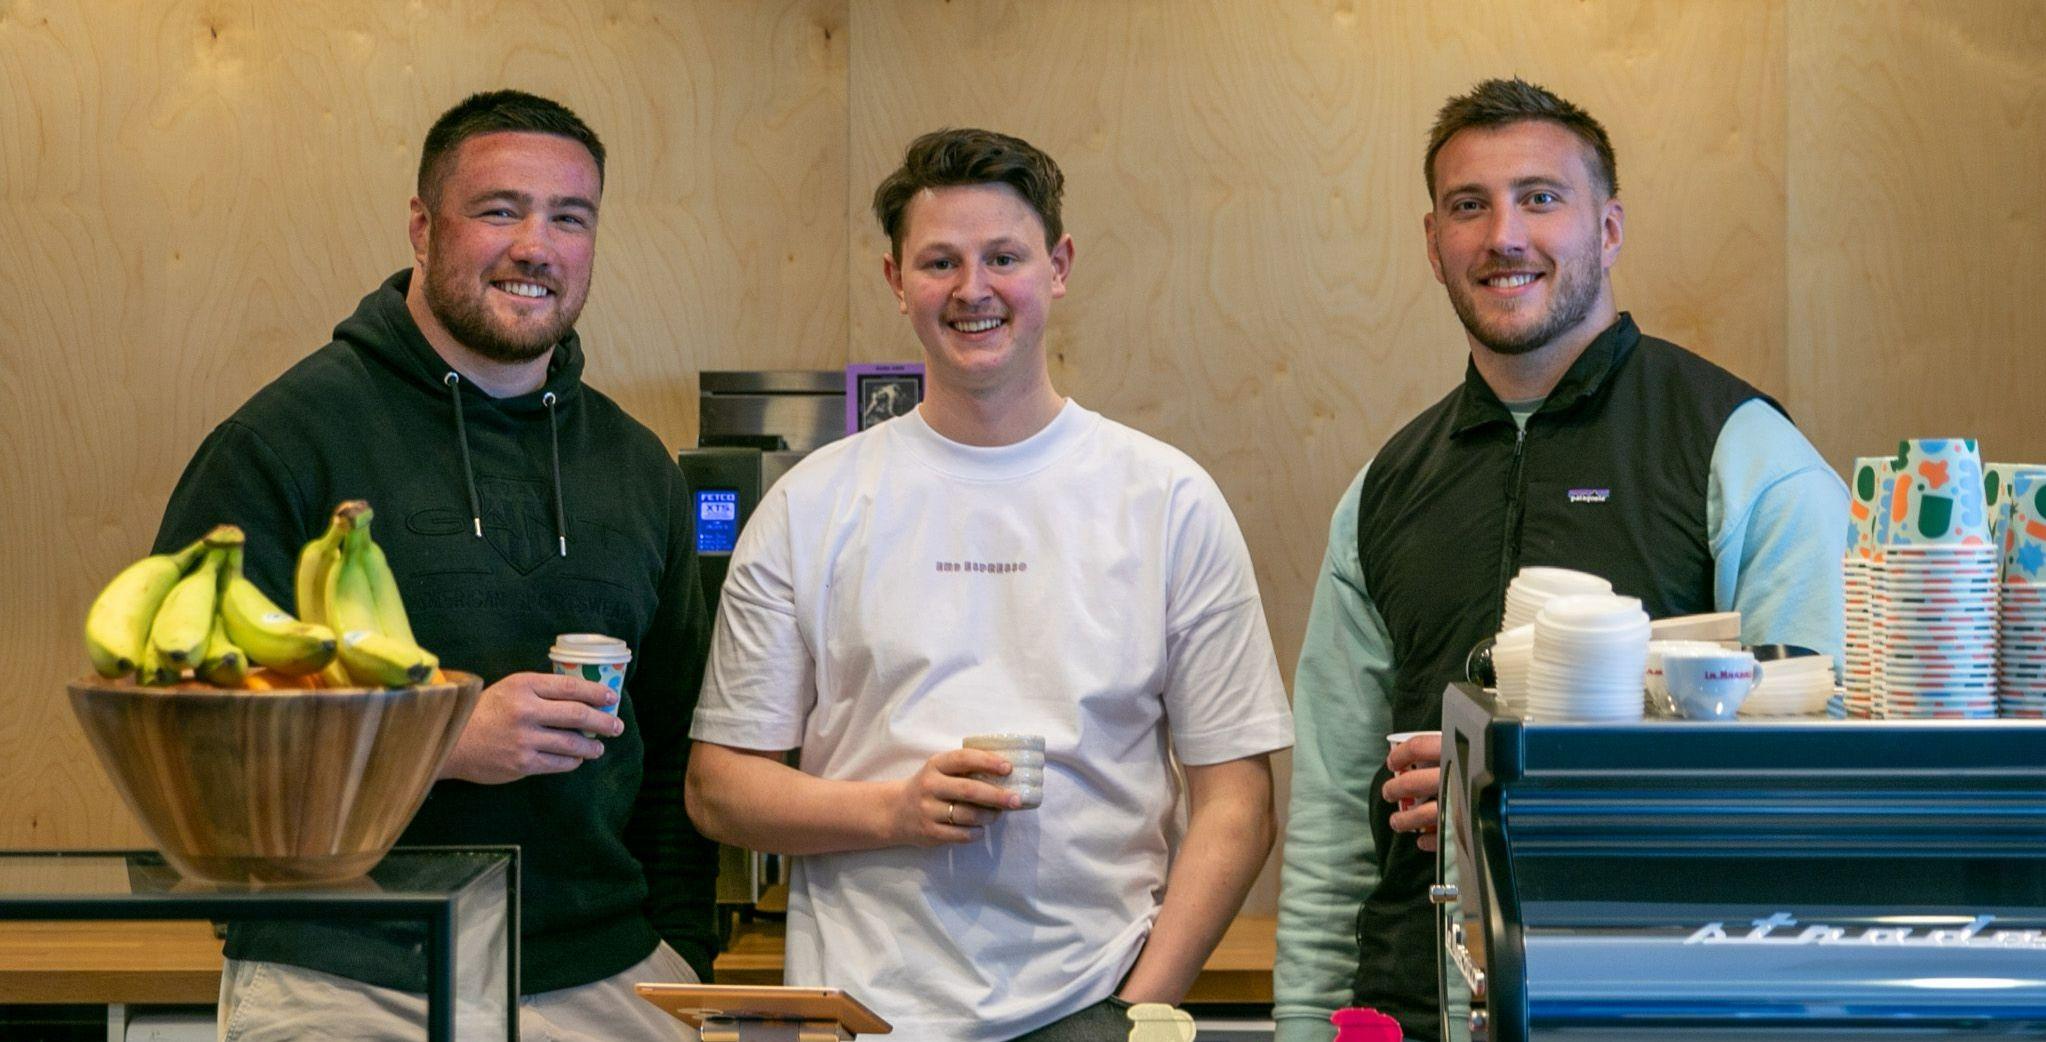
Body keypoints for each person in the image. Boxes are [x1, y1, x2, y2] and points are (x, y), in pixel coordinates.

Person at [686, 127, 1294, 1042]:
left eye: (1003, 257)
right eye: (940, 261)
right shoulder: (811, 506)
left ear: (1059, 266)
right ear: (897, 282)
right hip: (861, 1014)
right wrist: (893, 809)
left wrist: (1135, 1012)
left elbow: (1239, 803)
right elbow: (719, 789)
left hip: (1093, 1001)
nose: (973, 290)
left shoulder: (1166, 499)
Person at [1273, 78, 1847, 1042]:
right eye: (1470, 206)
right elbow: (1334, 822)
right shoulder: (1383, 489)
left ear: (1609, 229)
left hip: (1663, 1006)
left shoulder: (1743, 453)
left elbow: (1812, 772)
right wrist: (1304, 1022)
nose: (1504, 234)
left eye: (1541, 198)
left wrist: (1514, 778)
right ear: (1432, 243)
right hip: (1417, 1008)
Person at [153, 90, 716, 1041]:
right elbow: (185, 744)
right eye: (500, 209)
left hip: (605, 979)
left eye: (569, 218)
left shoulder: (636, 467)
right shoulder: (283, 444)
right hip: (344, 977)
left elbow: (672, 750)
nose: (536, 245)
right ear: (422, 225)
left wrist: (679, 956)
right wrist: (438, 743)